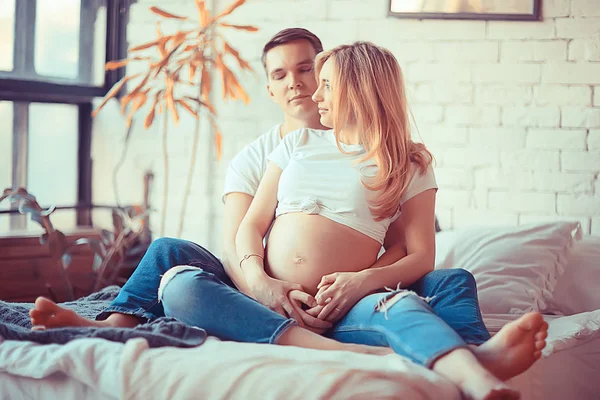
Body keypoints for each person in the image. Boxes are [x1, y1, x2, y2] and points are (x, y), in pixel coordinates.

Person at [30, 29, 488, 339]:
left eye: (309, 69)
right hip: (258, 278)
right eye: (280, 74)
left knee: (450, 280)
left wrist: (354, 283)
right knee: (168, 253)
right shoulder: (258, 156)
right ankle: (112, 326)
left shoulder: (376, 151)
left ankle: (464, 355)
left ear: (334, 75)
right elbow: (236, 242)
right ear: (269, 89)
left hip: (344, 285)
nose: (299, 84)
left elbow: (395, 243)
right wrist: (269, 288)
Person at [157, 42, 548, 400]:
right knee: (179, 286)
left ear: (360, 89)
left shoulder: (408, 163)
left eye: (326, 84)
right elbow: (252, 225)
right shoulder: (298, 143)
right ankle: (352, 353)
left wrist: (360, 283)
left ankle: (479, 379)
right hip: (272, 302)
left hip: (342, 307)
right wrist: (262, 284)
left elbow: (420, 256)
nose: (315, 94)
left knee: (401, 308)